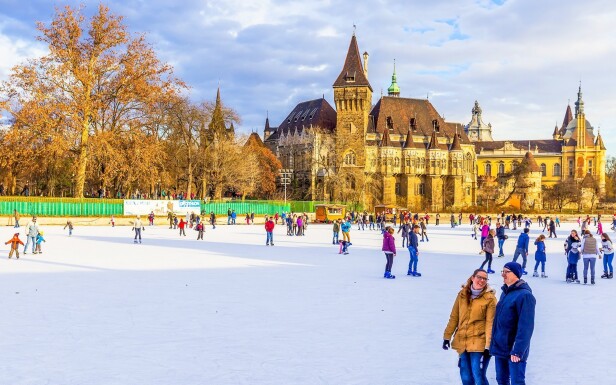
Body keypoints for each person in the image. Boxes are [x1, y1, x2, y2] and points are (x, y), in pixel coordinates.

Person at [443, 269, 496, 385]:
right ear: (472, 278)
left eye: (485, 278)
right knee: (465, 376)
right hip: (463, 341)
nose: (481, 280)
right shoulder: (462, 294)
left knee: (478, 375)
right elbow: (454, 317)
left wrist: (488, 345)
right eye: (479, 277)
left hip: (479, 342)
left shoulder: (490, 298)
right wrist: (447, 336)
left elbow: (490, 323)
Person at [490, 262, 536, 385]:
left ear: (516, 274)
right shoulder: (505, 292)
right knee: (501, 380)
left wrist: (518, 350)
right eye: (502, 271)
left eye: (506, 272)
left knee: (517, 382)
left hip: (514, 349)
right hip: (500, 347)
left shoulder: (525, 295)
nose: (503, 275)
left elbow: (526, 327)